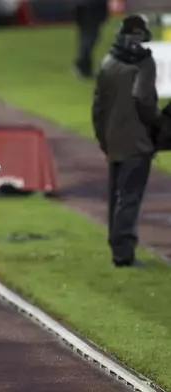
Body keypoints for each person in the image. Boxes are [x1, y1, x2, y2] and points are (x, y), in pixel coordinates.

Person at [92, 14, 157, 267]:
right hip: (139, 140)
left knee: (116, 197)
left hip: (113, 139)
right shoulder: (144, 63)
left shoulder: (108, 62)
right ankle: (123, 253)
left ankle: (117, 247)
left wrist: (102, 139)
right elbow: (143, 99)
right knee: (129, 197)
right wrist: (157, 126)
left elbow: (98, 107)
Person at [72, 0, 108, 78]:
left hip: (83, 7)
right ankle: (81, 66)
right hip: (91, 7)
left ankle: (85, 68)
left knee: (87, 36)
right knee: (90, 37)